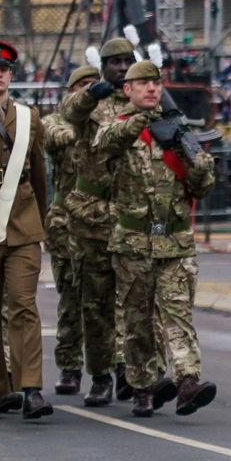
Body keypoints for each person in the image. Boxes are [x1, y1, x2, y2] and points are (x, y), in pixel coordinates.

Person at [96, 59, 217, 418]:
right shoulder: (116, 128)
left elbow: (201, 188)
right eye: (143, 83)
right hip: (134, 242)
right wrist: (141, 121)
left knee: (177, 314)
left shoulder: (177, 131)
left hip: (175, 241)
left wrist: (200, 164)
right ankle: (144, 385)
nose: (151, 88)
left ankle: (187, 381)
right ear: (128, 90)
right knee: (137, 323)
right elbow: (106, 146)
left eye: (156, 82)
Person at [59, 36, 152, 406]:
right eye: (113, 62)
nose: (119, 67)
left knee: (137, 303)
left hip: (132, 215)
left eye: (126, 61)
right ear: (104, 67)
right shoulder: (91, 102)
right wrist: (89, 94)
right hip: (91, 216)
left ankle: (139, 376)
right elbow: (68, 113)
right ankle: (100, 377)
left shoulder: (141, 101)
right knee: (95, 305)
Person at [0, 42, 52, 421]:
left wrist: (42, 219)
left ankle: (31, 389)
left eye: (4, 67)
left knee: (24, 305)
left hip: (22, 223)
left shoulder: (28, 116)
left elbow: (37, 171)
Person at [45, 65, 99, 396]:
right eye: (82, 87)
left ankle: (110, 368)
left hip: (103, 219)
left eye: (94, 87)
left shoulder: (111, 122)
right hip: (66, 220)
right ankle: (69, 366)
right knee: (71, 297)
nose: (88, 93)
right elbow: (56, 136)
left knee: (105, 301)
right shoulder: (56, 121)